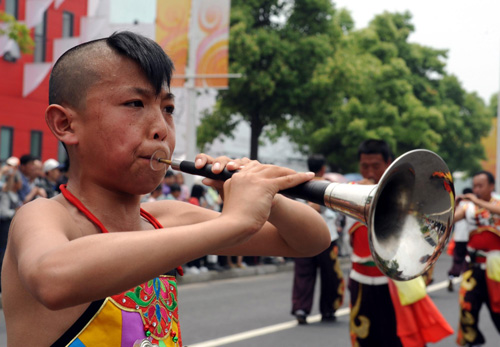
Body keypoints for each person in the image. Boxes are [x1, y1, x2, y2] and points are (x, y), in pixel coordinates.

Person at [1, 31, 331, 346]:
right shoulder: (44, 215)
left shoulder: (167, 217)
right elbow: (52, 278)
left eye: (168, 109)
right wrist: (235, 222)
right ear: (66, 124)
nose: (161, 128)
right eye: (134, 104)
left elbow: (311, 240)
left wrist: (264, 193)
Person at [346, 139, 453, 347]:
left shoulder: (405, 193)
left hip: (392, 280)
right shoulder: (351, 190)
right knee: (363, 338)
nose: (369, 172)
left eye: (375, 166)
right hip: (360, 280)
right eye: (364, 166)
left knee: (396, 339)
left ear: (389, 164)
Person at [291, 154, 345, 324]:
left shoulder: (298, 183)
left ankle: (301, 308)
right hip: (326, 236)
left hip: (303, 235)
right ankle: (328, 309)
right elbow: (334, 211)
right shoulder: (328, 185)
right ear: (322, 168)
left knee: (304, 273)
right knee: (330, 274)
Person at [453, 170, 500, 346]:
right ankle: (473, 342)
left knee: (498, 311)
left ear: (491, 186)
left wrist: (476, 200)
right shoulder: (469, 207)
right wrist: (455, 206)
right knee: (468, 307)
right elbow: (451, 220)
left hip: (496, 271)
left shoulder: (496, 202)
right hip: (474, 269)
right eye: (475, 186)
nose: (476, 189)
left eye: (480, 185)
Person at [447, 187, 473, 292]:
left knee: (457, 260)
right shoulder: (472, 206)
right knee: (470, 261)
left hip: (459, 238)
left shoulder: (459, 205)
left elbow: (450, 217)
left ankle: (451, 278)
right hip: (469, 238)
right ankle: (468, 282)